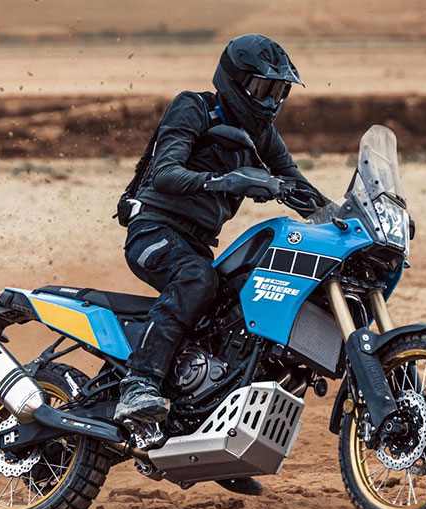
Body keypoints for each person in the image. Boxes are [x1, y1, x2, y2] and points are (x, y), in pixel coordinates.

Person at [115, 35, 326, 432]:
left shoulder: (262, 136)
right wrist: (228, 181)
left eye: (278, 92)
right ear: (234, 81)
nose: (270, 101)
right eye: (262, 89)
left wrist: (353, 219)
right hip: (153, 229)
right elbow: (165, 173)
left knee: (242, 300)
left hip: (196, 245)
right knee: (196, 279)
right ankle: (138, 384)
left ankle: (201, 410)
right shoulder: (193, 107)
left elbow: (299, 187)